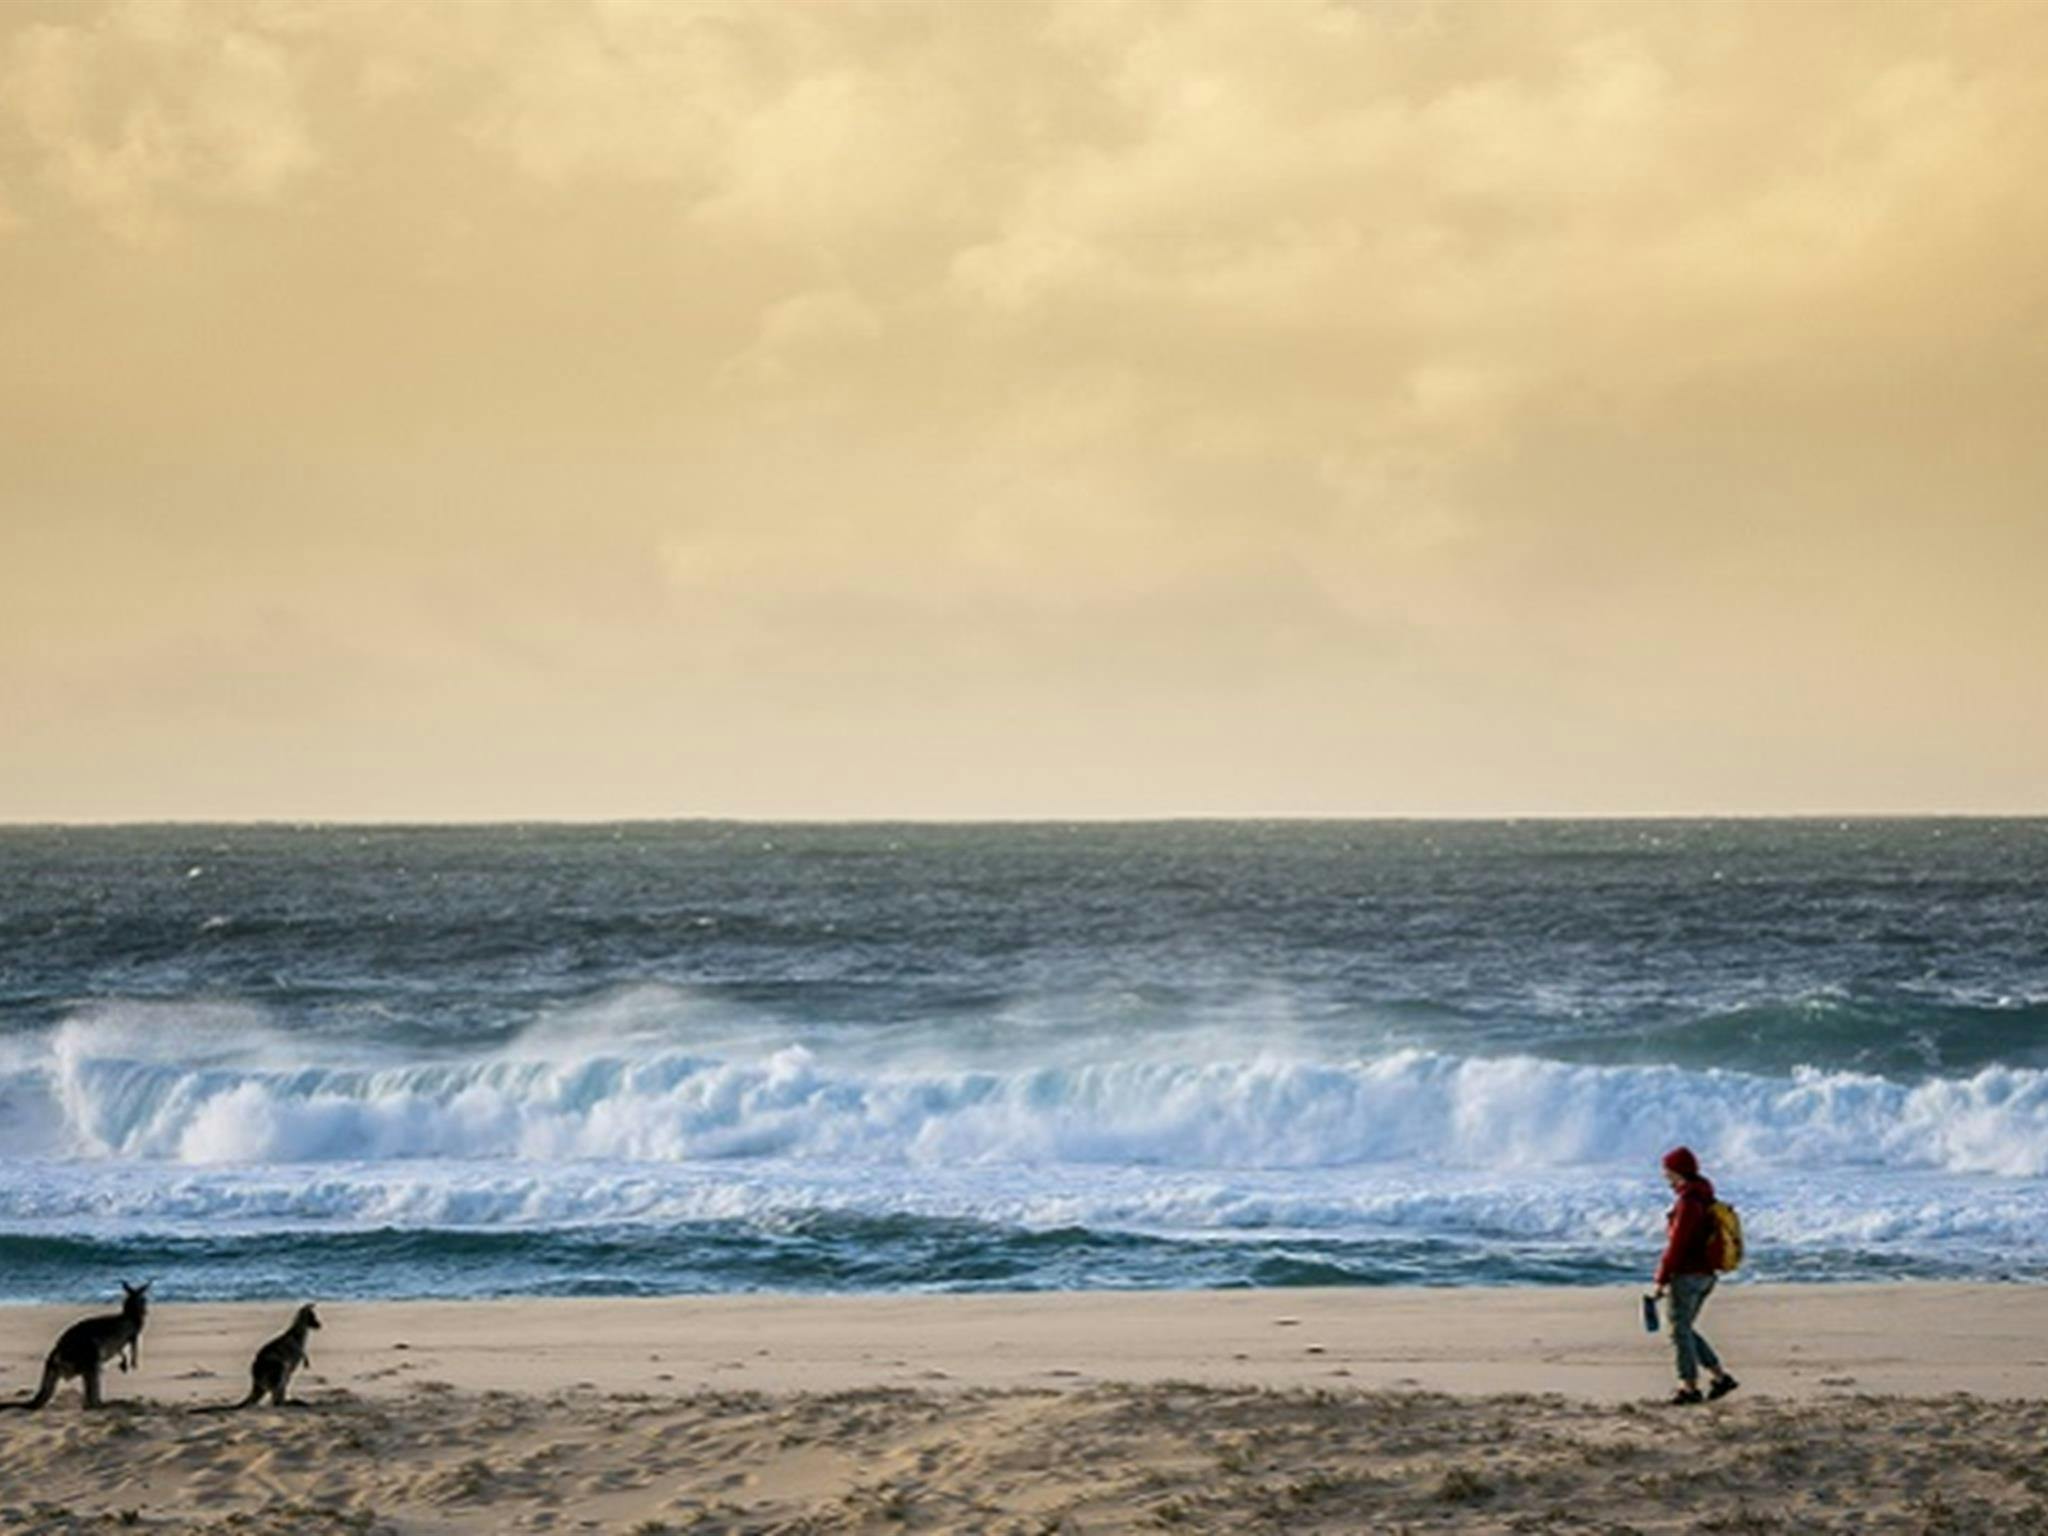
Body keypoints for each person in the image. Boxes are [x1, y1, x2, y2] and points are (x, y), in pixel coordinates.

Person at [1652, 1146, 1738, 1405]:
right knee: (1684, 1328)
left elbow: (1677, 1245)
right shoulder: (1704, 1196)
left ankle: (1688, 1388)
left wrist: (1661, 1278)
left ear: (1676, 1172)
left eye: (1666, 1170)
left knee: (1679, 1330)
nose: (1664, 1175)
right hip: (1706, 1275)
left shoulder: (1688, 1202)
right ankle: (1720, 1378)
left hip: (1688, 1274)